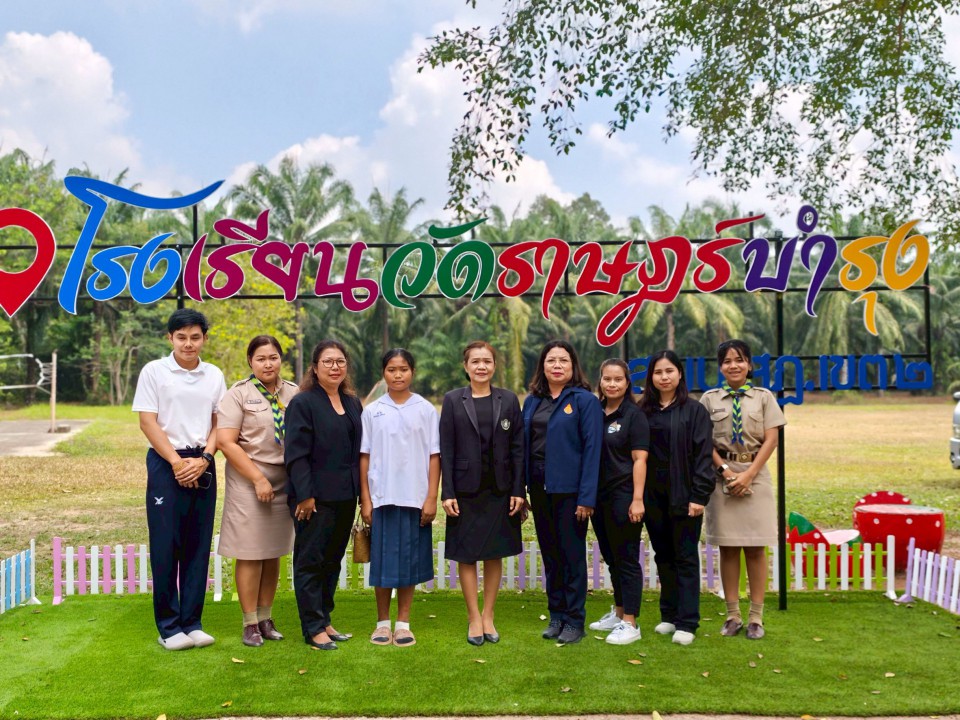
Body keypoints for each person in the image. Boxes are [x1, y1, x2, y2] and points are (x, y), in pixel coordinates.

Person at [132, 308, 226, 651]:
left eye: (195, 337)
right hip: (165, 462)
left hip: (203, 462)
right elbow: (147, 421)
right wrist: (175, 462)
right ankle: (169, 627)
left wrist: (205, 459)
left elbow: (220, 423)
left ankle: (192, 623)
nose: (189, 343)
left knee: (198, 544)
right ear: (170, 338)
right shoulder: (154, 371)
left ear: (204, 339)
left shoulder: (213, 375)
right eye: (182, 337)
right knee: (166, 544)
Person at [440, 341, 525, 646]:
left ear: (494, 366)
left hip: (499, 489)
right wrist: (447, 492)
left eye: (487, 361)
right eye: (475, 361)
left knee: (493, 553)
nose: (481, 366)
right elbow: (446, 448)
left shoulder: (508, 399)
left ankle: (489, 615)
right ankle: (473, 617)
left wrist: (518, 489)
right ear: (466, 366)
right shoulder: (453, 400)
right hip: (465, 491)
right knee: (467, 555)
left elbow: (518, 448)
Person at [700, 339, 786, 640]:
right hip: (721, 477)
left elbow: (771, 439)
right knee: (728, 547)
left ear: (749, 365)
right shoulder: (709, 399)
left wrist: (748, 475)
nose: (733, 365)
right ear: (720, 367)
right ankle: (732, 615)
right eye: (727, 361)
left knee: (755, 547)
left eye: (739, 360)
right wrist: (725, 471)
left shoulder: (763, 397)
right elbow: (704, 441)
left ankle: (756, 617)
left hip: (756, 475)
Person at [217, 335, 297, 647]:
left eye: (273, 357)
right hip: (248, 480)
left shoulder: (294, 392)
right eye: (261, 358)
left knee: (273, 551)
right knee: (250, 552)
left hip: (284, 481)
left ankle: (266, 617)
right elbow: (226, 442)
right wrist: (257, 479)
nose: (268, 364)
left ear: (281, 360)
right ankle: (249, 622)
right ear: (250, 361)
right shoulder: (238, 394)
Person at [283, 340, 363, 651]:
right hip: (313, 499)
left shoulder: (352, 402)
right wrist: (305, 495)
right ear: (315, 368)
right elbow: (296, 454)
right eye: (327, 361)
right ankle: (313, 627)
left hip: (345, 496)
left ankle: (325, 619)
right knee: (310, 561)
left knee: (332, 561)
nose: (334, 367)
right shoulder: (303, 403)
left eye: (340, 361)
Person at [522, 339, 603, 645]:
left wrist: (586, 497)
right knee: (551, 555)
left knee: (571, 555)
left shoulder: (584, 401)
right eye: (551, 360)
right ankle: (556, 615)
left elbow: (593, 450)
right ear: (542, 366)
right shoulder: (532, 401)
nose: (557, 365)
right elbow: (522, 446)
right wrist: (521, 488)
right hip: (539, 488)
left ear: (573, 366)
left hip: (570, 491)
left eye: (563, 360)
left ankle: (574, 619)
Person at [360, 348, 440, 647]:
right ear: (383, 373)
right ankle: (382, 623)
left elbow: (434, 455)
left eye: (403, 369)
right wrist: (366, 499)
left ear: (412, 372)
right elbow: (364, 456)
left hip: (415, 499)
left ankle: (404, 624)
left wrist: (431, 497)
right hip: (382, 497)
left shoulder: (426, 409)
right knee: (382, 563)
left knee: (409, 562)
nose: (397, 375)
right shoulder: (372, 411)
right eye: (391, 369)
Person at [638, 349, 714, 646]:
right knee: (663, 556)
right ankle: (669, 616)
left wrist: (699, 495)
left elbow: (703, 455)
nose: (664, 377)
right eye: (658, 372)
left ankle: (687, 621)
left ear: (680, 374)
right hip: (652, 496)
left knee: (685, 557)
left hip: (685, 495)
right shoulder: (643, 410)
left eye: (669, 371)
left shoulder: (694, 411)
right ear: (651, 377)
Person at [588, 358, 649, 645]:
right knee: (611, 557)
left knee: (626, 559)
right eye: (607, 379)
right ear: (600, 381)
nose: (612, 384)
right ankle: (619, 611)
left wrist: (637, 499)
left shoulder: (634, 415)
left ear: (627, 383)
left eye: (618, 379)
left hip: (624, 495)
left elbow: (640, 459)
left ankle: (631, 622)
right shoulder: (595, 412)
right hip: (598, 497)